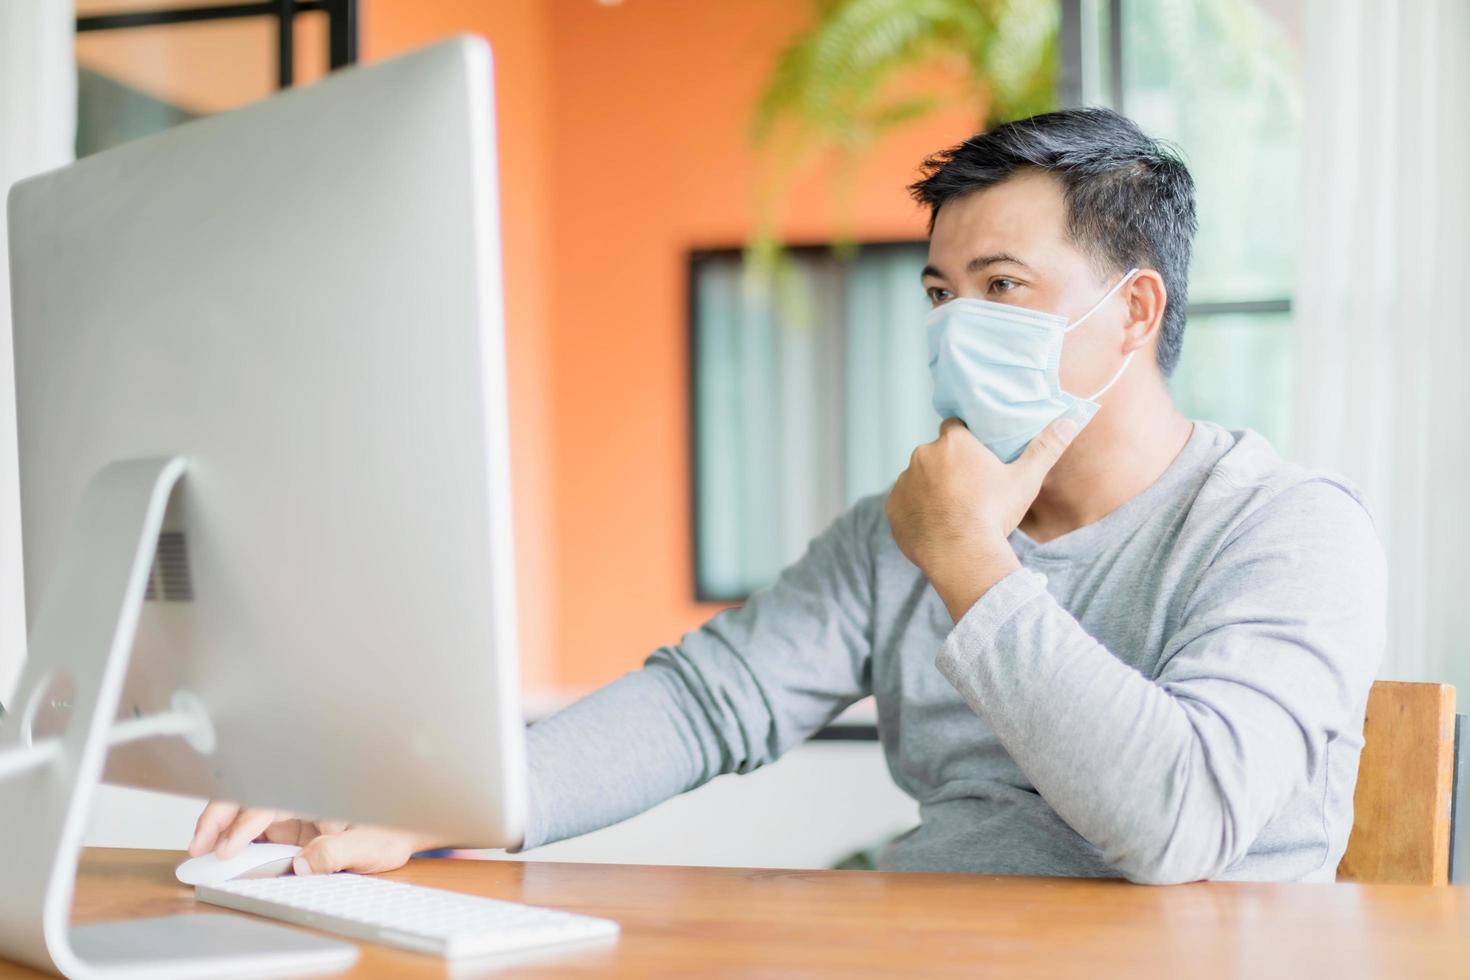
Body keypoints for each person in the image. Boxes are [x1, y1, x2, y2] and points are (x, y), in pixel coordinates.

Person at [189, 107, 1385, 884]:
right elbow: (711, 700)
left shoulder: (1287, 528)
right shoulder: (898, 531)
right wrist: (446, 800)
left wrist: (973, 562)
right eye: (937, 290)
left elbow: (1180, 821)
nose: (954, 326)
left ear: (1133, 311)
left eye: (1002, 283)